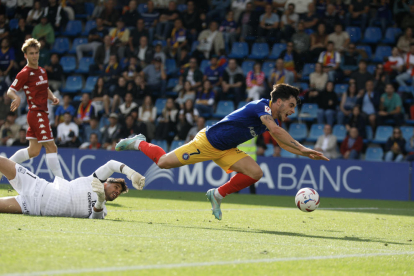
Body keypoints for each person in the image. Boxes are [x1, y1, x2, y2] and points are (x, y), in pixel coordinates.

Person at [116, 84, 329, 221]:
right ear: (279, 101)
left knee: (255, 173)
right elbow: (276, 131)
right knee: (162, 162)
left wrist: (305, 153)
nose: (292, 110)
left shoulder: (269, 118)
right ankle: (138, 142)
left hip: (226, 149)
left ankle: (217, 194)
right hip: (207, 142)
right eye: (291, 105)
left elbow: (282, 143)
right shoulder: (261, 107)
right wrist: (302, 147)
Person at [0, 156, 145, 218]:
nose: (116, 192)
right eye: (116, 187)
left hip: (33, 208)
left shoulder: (102, 210)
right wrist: (131, 174)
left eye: (119, 193)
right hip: (40, 187)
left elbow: (94, 219)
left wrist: (100, 199)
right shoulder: (93, 180)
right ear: (106, 182)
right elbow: (111, 164)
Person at [5, 38, 63, 180]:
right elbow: (10, 90)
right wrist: (16, 98)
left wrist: (52, 97)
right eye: (31, 53)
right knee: (51, 147)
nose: (34, 56)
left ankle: (3, 169)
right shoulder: (24, 72)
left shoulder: (42, 71)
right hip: (36, 113)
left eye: (36, 52)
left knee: (33, 151)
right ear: (25, 55)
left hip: (40, 113)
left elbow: (45, 87)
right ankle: (63, 184)